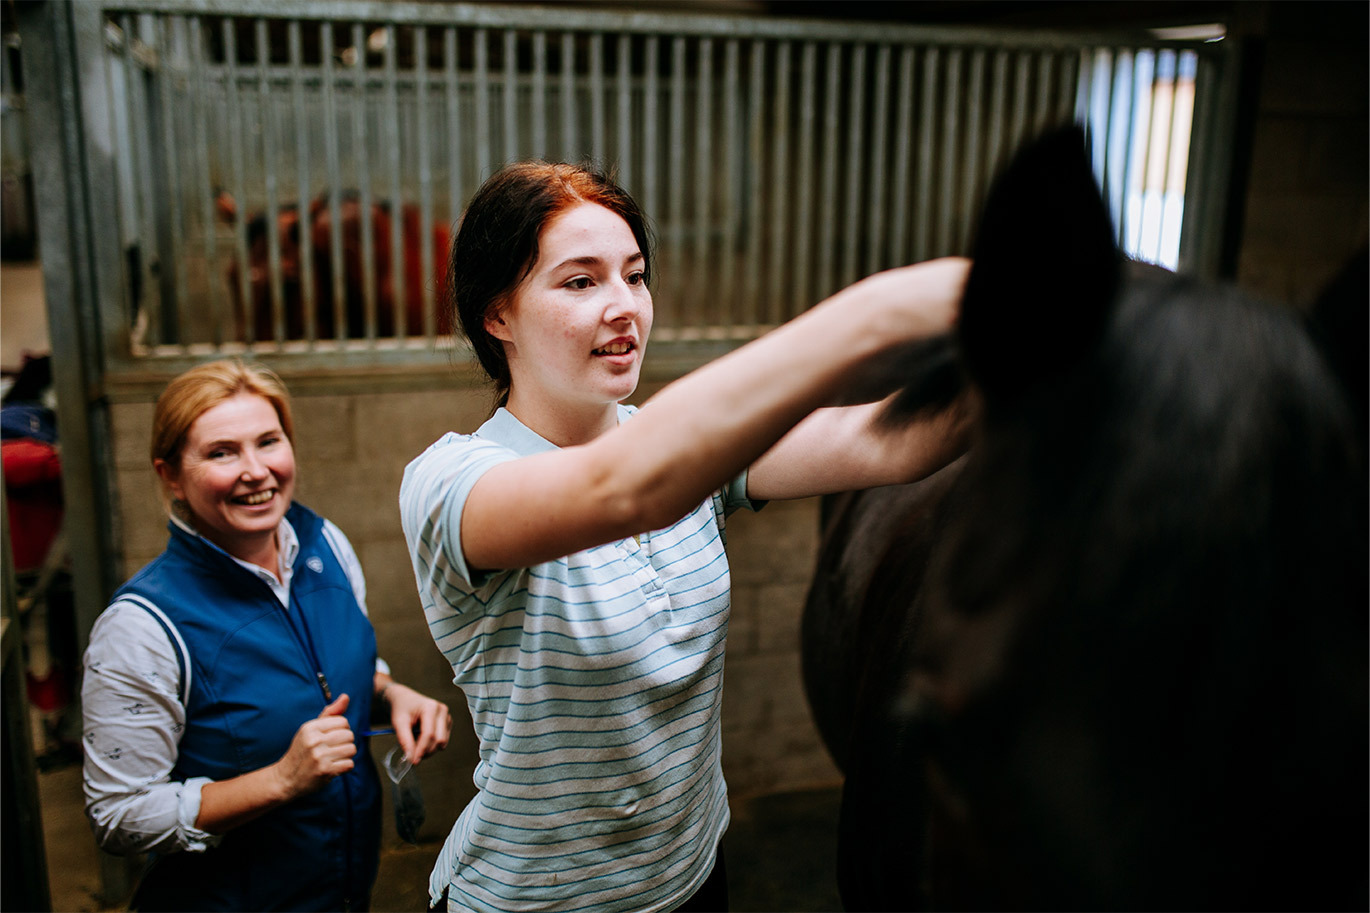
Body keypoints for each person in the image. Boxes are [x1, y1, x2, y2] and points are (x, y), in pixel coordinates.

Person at [399, 162, 971, 913]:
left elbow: (889, 442)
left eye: (635, 276)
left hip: (693, 876)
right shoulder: (452, 483)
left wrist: (1050, 341)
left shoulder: (681, 455)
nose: (624, 307)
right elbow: (627, 488)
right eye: (581, 281)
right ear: (496, 315)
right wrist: (880, 311)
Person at [82, 358, 453, 912]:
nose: (255, 471)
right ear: (170, 476)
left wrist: (390, 694)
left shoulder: (325, 545)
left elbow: (322, 674)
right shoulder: (141, 627)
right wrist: (281, 780)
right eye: (221, 453)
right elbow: (119, 816)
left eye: (268, 442)